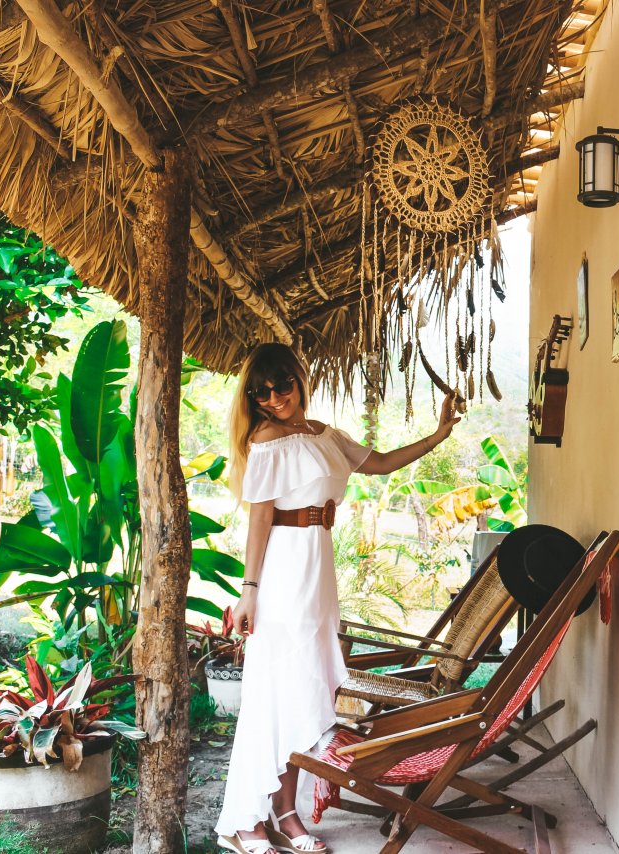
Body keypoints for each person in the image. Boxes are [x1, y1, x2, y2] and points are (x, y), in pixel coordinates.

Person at [215, 343, 460, 854]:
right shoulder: (266, 442)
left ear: (298, 379)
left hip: (316, 572)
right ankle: (248, 822)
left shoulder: (325, 435)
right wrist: (249, 592)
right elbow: (260, 521)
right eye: (261, 392)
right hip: (282, 572)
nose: (274, 397)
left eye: (282, 385)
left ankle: (288, 814)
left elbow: (386, 462)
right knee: (274, 697)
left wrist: (440, 433)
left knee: (303, 695)